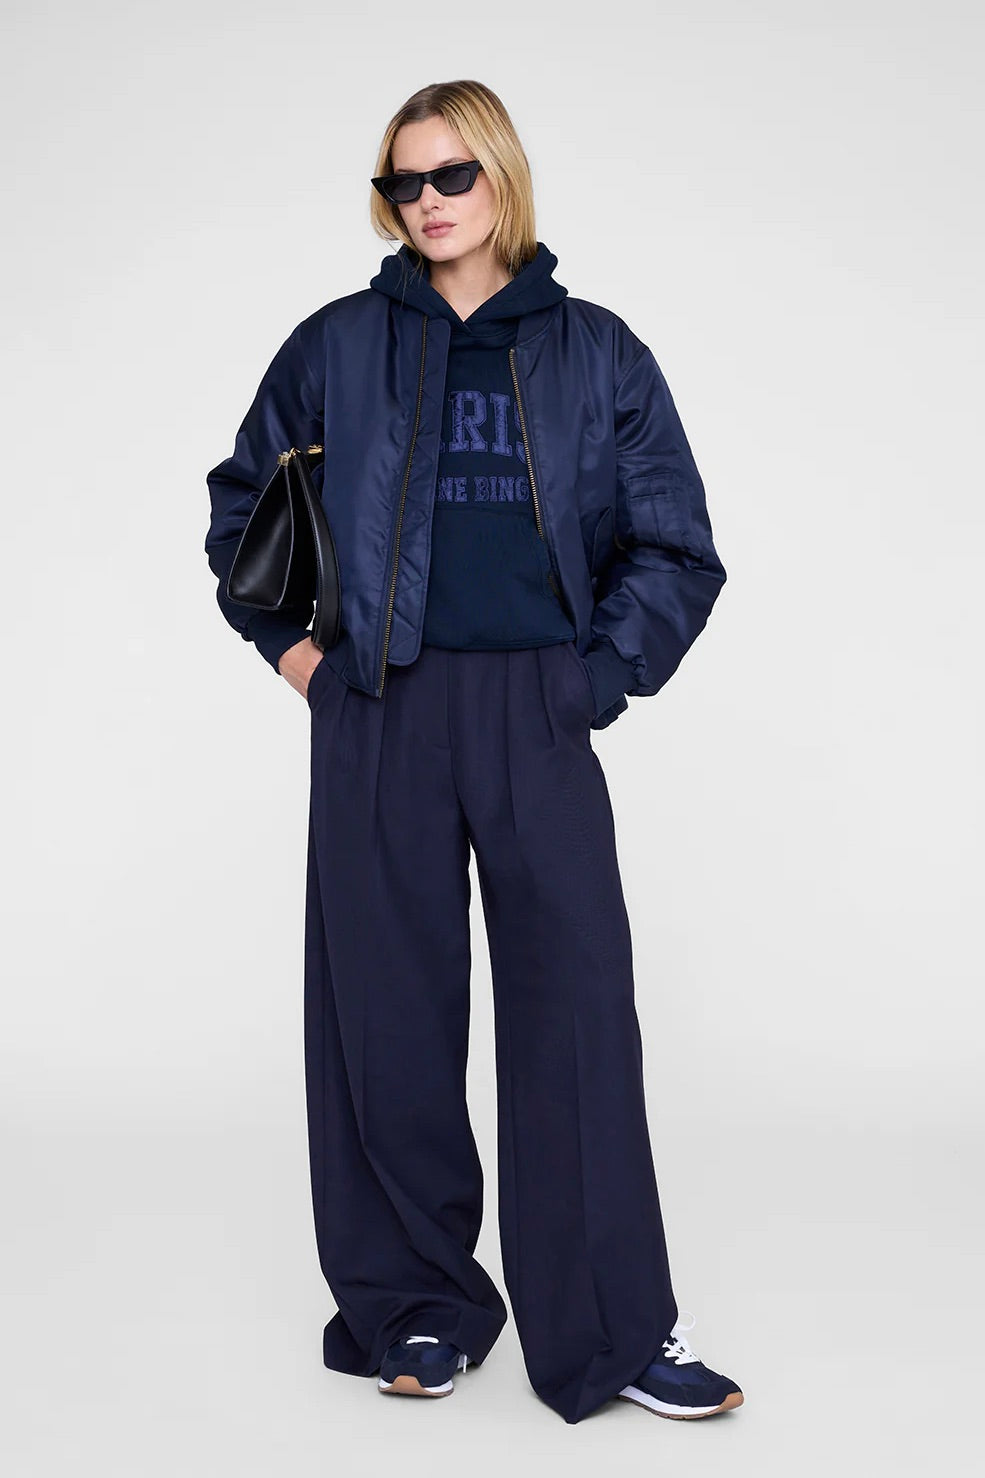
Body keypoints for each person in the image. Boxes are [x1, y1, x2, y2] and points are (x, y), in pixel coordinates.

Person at [204, 78, 743, 1426]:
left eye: (453, 175)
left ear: (501, 176)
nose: (430, 201)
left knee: (577, 1014)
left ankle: (613, 1330)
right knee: (384, 1014)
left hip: (536, 708)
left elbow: (675, 546)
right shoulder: (335, 347)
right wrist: (304, 663)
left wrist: (593, 680)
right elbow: (242, 512)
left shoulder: (596, 352)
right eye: (405, 182)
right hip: (380, 704)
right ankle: (417, 1304)